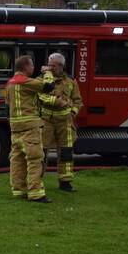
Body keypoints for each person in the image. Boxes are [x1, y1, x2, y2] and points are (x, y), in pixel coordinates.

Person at [6, 55, 57, 203]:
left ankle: (18, 190)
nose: (33, 68)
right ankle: (36, 193)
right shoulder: (26, 82)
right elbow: (48, 87)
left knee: (17, 161)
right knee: (35, 160)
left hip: (15, 128)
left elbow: (6, 107)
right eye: (31, 65)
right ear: (25, 67)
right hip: (30, 128)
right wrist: (47, 72)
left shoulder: (10, 83)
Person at [37, 53, 83, 193]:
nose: (50, 68)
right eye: (49, 64)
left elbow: (78, 101)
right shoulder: (42, 78)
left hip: (65, 122)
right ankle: (37, 181)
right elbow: (40, 95)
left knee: (66, 152)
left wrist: (72, 113)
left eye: (53, 65)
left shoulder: (71, 81)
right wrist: (57, 102)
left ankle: (65, 182)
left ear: (61, 66)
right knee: (41, 152)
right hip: (46, 121)